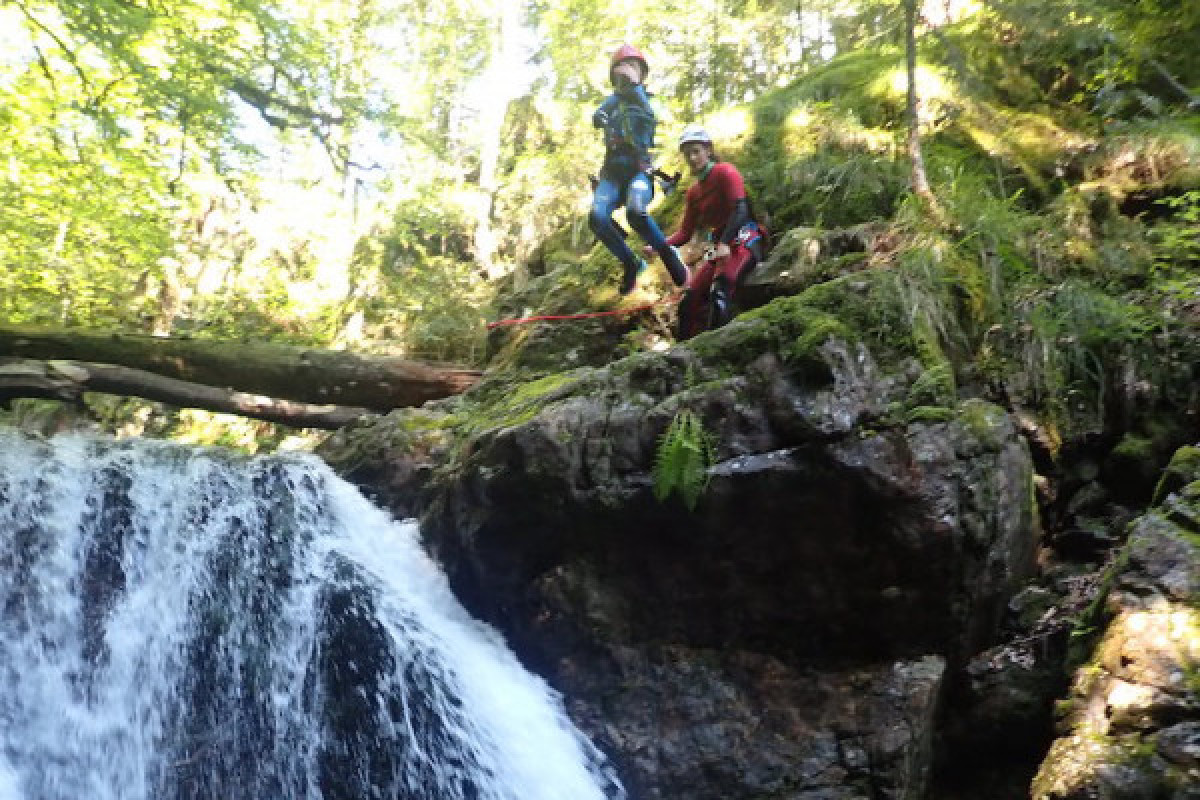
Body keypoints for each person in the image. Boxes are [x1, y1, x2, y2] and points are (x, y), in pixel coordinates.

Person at [647, 124, 766, 339]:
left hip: (744, 239)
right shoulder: (693, 192)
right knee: (689, 301)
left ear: (708, 150)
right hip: (719, 248)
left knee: (719, 292)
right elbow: (685, 232)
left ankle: (720, 350)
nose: (692, 158)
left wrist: (724, 243)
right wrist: (660, 246)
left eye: (696, 151)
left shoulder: (725, 172)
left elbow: (740, 209)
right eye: (687, 154)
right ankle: (684, 357)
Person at [590, 44, 689, 295]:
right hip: (612, 175)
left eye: (633, 68)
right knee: (597, 218)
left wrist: (635, 88)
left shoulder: (650, 101)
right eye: (622, 70)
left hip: (639, 172)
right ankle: (631, 263)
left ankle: (667, 253)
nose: (626, 74)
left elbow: (653, 119)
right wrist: (599, 117)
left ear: (641, 74)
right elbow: (598, 113)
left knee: (636, 212)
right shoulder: (613, 101)